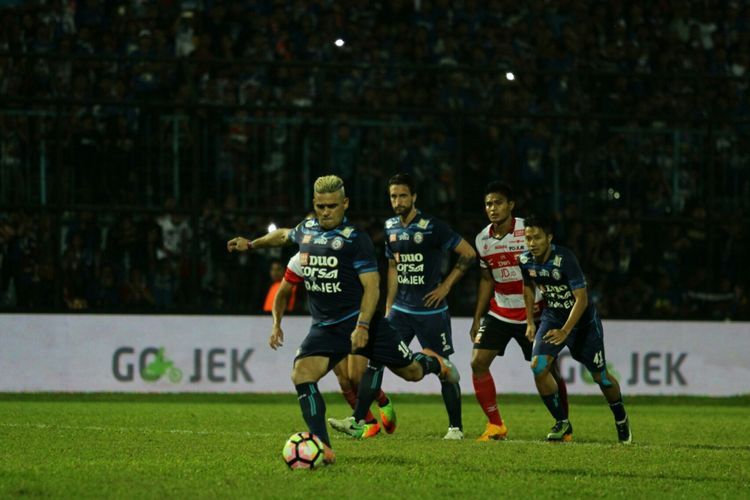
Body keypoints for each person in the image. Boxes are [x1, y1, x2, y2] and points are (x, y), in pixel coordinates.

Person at [227, 175, 459, 464]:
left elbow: (372, 286)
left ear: (345, 204)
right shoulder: (307, 230)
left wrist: (363, 325)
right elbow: (284, 235)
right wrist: (251, 244)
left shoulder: (355, 240)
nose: (326, 211)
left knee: (410, 372)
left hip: (364, 323)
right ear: (315, 204)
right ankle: (323, 448)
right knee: (302, 374)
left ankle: (435, 363)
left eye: (332, 206)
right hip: (325, 327)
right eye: (321, 206)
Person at [519, 213, 632, 443]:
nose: (532, 243)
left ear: (549, 238)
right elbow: (528, 287)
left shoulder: (565, 259)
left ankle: (620, 417)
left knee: (601, 377)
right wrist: (530, 321)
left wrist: (566, 331)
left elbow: (581, 299)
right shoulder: (524, 260)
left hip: (583, 324)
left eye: (537, 238)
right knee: (538, 367)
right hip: (553, 317)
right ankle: (562, 422)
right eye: (528, 238)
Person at [470, 181, 568, 441]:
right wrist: (477, 315)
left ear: (510, 205)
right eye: (488, 204)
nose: (493, 208)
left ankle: (563, 423)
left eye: (498, 203)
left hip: (534, 313)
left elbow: (548, 266)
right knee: (477, 363)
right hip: (500, 311)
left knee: (549, 371)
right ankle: (495, 425)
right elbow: (486, 279)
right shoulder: (482, 239)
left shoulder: (528, 231)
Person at [383, 172, 476, 439]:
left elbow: (469, 253)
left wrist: (446, 287)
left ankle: (455, 428)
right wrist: (388, 305)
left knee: (444, 368)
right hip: (400, 310)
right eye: (393, 196)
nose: (397, 201)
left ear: (414, 197)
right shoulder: (390, 227)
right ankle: (362, 420)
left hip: (431, 313)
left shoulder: (433, 226)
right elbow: (392, 267)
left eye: (402, 196)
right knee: (377, 358)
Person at [271, 251, 395, 436]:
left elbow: (368, 284)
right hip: (327, 326)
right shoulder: (303, 257)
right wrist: (276, 325)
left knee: (356, 377)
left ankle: (383, 402)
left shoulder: (342, 250)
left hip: (352, 319)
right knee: (344, 380)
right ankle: (369, 423)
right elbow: (285, 290)